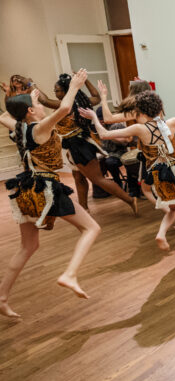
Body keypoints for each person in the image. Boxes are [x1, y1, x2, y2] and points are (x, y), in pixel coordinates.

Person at [0, 69, 101, 318]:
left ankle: (1, 297)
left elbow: (5, 115)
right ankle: (70, 274)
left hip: (25, 190)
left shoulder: (19, 126)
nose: (40, 103)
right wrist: (75, 86)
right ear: (31, 112)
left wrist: (14, 97)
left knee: (28, 246)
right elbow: (64, 109)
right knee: (91, 229)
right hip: (45, 189)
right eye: (35, 102)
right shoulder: (38, 128)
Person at [80, 78, 175, 270]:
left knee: (174, 209)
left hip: (158, 176)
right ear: (159, 108)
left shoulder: (139, 129)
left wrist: (94, 117)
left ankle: (161, 233)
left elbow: (103, 134)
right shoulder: (171, 123)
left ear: (140, 111)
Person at [34, 74, 137, 215]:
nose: (56, 93)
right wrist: (85, 80)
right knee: (78, 177)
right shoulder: (81, 101)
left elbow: (45, 101)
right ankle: (84, 209)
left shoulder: (66, 104)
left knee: (98, 179)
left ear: (66, 90)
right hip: (74, 144)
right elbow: (96, 96)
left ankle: (130, 200)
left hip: (79, 145)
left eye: (57, 90)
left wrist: (30, 84)